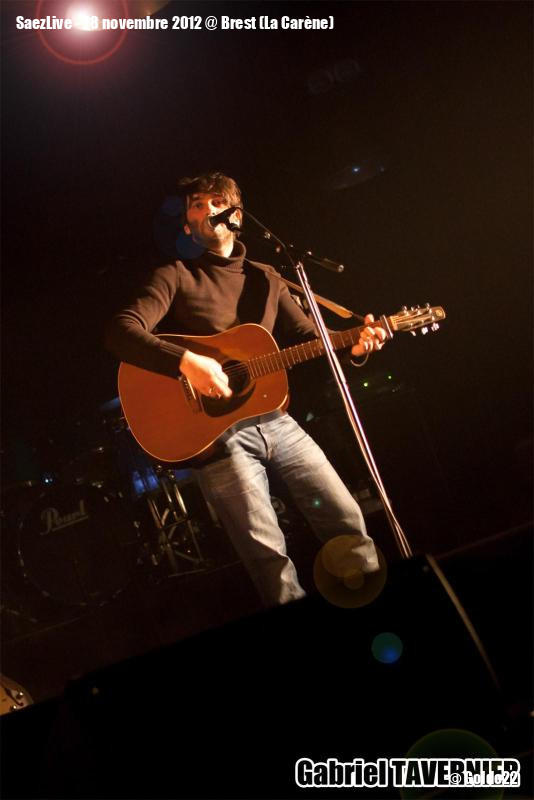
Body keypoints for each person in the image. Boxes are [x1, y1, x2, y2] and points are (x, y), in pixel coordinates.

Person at [105, 172, 388, 607]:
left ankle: (368, 608)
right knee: (269, 558)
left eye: (216, 201)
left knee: (346, 519)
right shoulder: (176, 275)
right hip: (218, 440)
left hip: (278, 421)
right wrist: (186, 361)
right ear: (188, 228)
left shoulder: (267, 277)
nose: (207, 209)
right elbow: (121, 331)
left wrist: (354, 343)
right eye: (197, 205)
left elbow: (310, 335)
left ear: (237, 214)